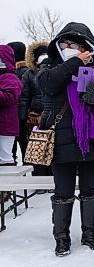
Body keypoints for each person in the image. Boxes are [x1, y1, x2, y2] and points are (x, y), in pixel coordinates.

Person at [37, 22, 94, 257]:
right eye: (64, 44)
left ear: (87, 46)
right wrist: (74, 62)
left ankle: (89, 233)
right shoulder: (50, 67)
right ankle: (61, 237)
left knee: (89, 189)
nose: (68, 48)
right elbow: (48, 85)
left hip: (92, 140)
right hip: (61, 140)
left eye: (73, 44)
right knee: (62, 191)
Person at [19, 41, 52, 177]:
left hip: (52, 114)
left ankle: (52, 177)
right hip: (35, 117)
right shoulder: (28, 74)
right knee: (37, 147)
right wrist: (22, 117)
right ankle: (39, 177)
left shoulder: (54, 71)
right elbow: (24, 97)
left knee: (52, 147)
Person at [0, 45, 23, 166]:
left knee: (5, 157)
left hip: (6, 125)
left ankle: (9, 184)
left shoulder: (11, 78)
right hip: (5, 124)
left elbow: (9, 97)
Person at [8, 41, 29, 164]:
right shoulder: (29, 72)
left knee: (10, 150)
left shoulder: (10, 74)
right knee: (26, 148)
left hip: (13, 116)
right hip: (27, 115)